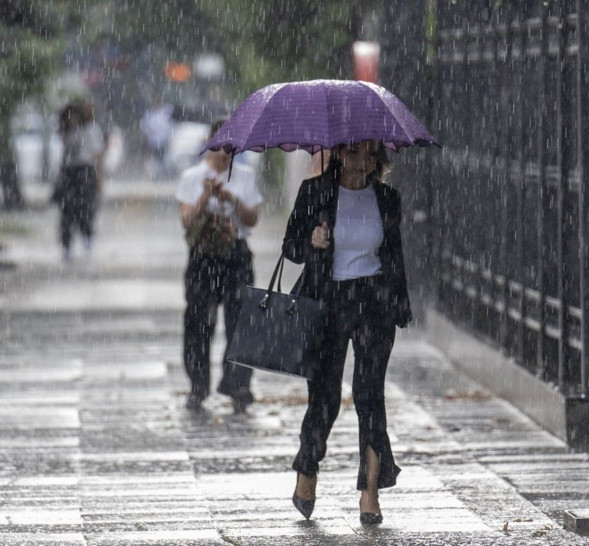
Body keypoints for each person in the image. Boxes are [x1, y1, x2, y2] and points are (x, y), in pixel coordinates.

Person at [282, 140, 412, 524]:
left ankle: (370, 492)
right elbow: (290, 246)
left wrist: (400, 306)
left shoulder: (387, 198)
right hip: (329, 302)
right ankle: (308, 469)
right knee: (325, 396)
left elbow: (395, 256)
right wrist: (312, 241)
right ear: (340, 153)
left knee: (370, 396)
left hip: (374, 302)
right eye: (356, 153)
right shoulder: (316, 191)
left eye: (371, 154)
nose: (363, 162)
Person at [176, 118, 263, 413]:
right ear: (209, 142)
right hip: (203, 257)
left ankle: (238, 383)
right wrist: (205, 195)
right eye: (220, 145)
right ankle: (198, 385)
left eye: (231, 146)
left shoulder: (244, 176)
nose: (225, 152)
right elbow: (186, 221)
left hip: (235, 254)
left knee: (241, 321)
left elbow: (252, 218)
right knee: (199, 321)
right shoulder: (192, 176)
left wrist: (230, 198)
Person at [55, 100, 105, 260]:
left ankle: (88, 238)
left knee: (85, 208)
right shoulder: (67, 132)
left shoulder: (91, 130)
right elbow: (64, 157)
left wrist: (99, 175)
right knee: (67, 212)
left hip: (85, 172)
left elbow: (98, 154)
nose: (72, 118)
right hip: (70, 173)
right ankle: (66, 245)